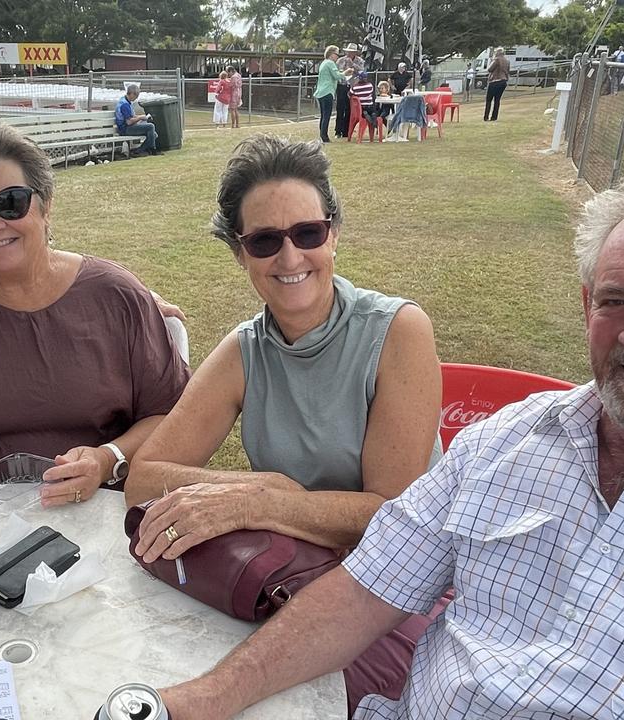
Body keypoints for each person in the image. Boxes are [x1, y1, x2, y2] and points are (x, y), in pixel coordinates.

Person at [156, 157, 624, 719]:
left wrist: (273, 500)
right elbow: (365, 589)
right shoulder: (504, 444)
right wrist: (207, 696)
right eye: (614, 301)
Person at [126, 135, 442, 714]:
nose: (290, 258)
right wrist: (260, 490)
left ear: (334, 233)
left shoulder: (399, 331)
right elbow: (144, 477)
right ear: (240, 253)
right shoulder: (245, 350)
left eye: (307, 233)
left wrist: (262, 503)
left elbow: (395, 518)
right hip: (296, 575)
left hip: (401, 583)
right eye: (265, 241)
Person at [0, 119, 190, 515]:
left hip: (111, 512)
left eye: (11, 202)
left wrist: (107, 458)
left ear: (45, 204)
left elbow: (174, 416)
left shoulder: (116, 296)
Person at [315, 45, 351, 143]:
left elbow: (335, 73)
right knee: (326, 115)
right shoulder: (330, 63)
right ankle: (324, 137)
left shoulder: (324, 63)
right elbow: (336, 76)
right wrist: (346, 73)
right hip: (327, 92)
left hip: (320, 92)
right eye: (336, 54)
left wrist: (342, 72)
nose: (337, 56)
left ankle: (322, 135)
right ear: (331, 54)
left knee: (323, 115)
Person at [115, 81, 159, 157]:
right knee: (151, 126)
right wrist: (140, 118)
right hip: (125, 129)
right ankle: (153, 149)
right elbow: (129, 122)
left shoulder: (127, 102)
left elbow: (132, 116)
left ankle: (138, 151)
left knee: (154, 134)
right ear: (131, 94)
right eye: (136, 96)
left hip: (129, 126)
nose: (136, 98)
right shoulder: (124, 104)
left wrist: (143, 117)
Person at [335, 43, 366, 138]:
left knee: (350, 108)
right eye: (349, 51)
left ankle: (346, 130)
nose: (350, 53)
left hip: (353, 87)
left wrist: (353, 65)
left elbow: (361, 71)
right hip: (342, 85)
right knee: (340, 108)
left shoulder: (360, 61)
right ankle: (338, 131)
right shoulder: (340, 60)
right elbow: (337, 71)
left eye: (352, 52)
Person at [484, 46, 509, 121]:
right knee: (497, 100)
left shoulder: (497, 60)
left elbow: (490, 69)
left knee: (489, 100)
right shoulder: (507, 61)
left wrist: (492, 60)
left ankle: (486, 117)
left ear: (497, 53)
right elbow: (508, 71)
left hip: (495, 81)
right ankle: (494, 117)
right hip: (503, 81)